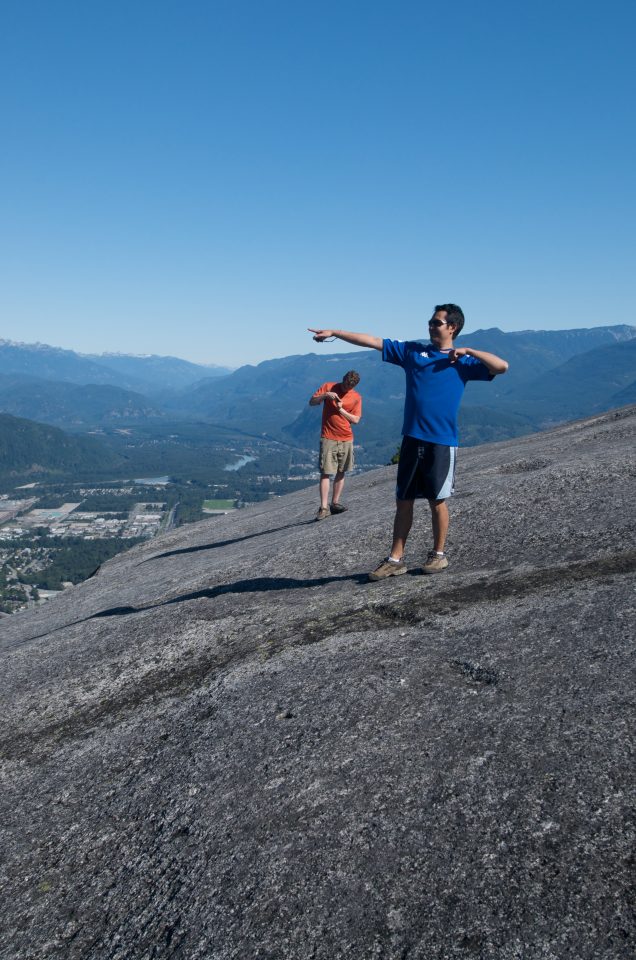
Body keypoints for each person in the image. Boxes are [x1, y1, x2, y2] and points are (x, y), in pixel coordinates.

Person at [309, 304, 508, 575]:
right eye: (430, 321)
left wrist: (469, 351)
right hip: (412, 438)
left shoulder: (463, 362)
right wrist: (336, 332)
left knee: (437, 500)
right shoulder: (414, 352)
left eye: (436, 322)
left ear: (453, 327)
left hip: (441, 440)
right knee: (404, 499)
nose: (430, 325)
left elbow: (502, 367)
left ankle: (438, 555)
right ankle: (395, 560)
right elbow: (374, 341)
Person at [309, 370, 362, 520]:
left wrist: (340, 409)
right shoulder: (329, 386)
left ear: (354, 386)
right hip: (328, 436)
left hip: (346, 437)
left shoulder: (356, 397)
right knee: (325, 472)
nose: (346, 388)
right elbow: (312, 402)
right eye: (345, 385)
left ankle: (335, 503)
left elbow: (356, 420)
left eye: (349, 387)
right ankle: (324, 507)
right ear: (343, 380)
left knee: (341, 470)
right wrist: (325, 395)